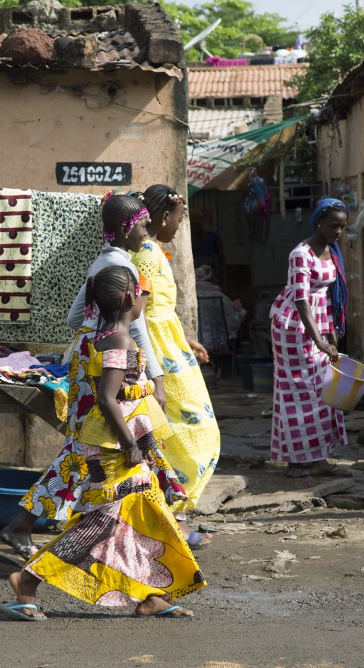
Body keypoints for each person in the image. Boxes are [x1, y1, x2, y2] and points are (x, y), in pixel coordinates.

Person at [0, 265, 205, 620]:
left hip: (105, 444)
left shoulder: (89, 340)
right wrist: (130, 444)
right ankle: (27, 579)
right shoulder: (120, 342)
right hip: (112, 449)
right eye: (141, 291)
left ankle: (152, 594)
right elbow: (107, 398)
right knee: (103, 520)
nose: (143, 297)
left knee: (145, 513)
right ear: (128, 297)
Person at [0, 193, 165, 559]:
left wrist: (97, 333)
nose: (146, 232)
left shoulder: (100, 262)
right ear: (125, 228)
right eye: (142, 225)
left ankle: (55, 531)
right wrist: (156, 375)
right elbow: (138, 330)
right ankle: (76, 537)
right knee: (95, 454)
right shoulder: (126, 270)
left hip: (85, 367)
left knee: (82, 454)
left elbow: (76, 319)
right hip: (106, 371)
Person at [134, 184, 222, 548]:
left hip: (171, 348)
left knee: (187, 433)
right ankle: (174, 518)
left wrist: (185, 339)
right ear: (163, 216)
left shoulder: (156, 252)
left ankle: (174, 516)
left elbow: (161, 309)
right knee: (189, 434)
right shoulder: (148, 257)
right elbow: (138, 315)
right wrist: (151, 366)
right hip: (159, 358)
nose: (180, 227)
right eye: (179, 219)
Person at [270, 197, 351, 478]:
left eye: (342, 227)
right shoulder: (301, 254)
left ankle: (316, 457)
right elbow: (302, 299)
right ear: (318, 222)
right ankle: (298, 460)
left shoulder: (331, 251)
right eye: (333, 226)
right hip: (294, 326)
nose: (337, 232)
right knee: (299, 391)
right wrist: (318, 339)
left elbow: (327, 295)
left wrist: (330, 331)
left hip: (319, 319)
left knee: (322, 388)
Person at [243, 167, 271, 240]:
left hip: (261, 198)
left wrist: (265, 197)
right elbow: (249, 190)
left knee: (262, 212)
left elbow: (264, 190)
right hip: (255, 198)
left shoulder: (259, 180)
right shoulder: (252, 181)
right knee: (247, 206)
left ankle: (262, 235)